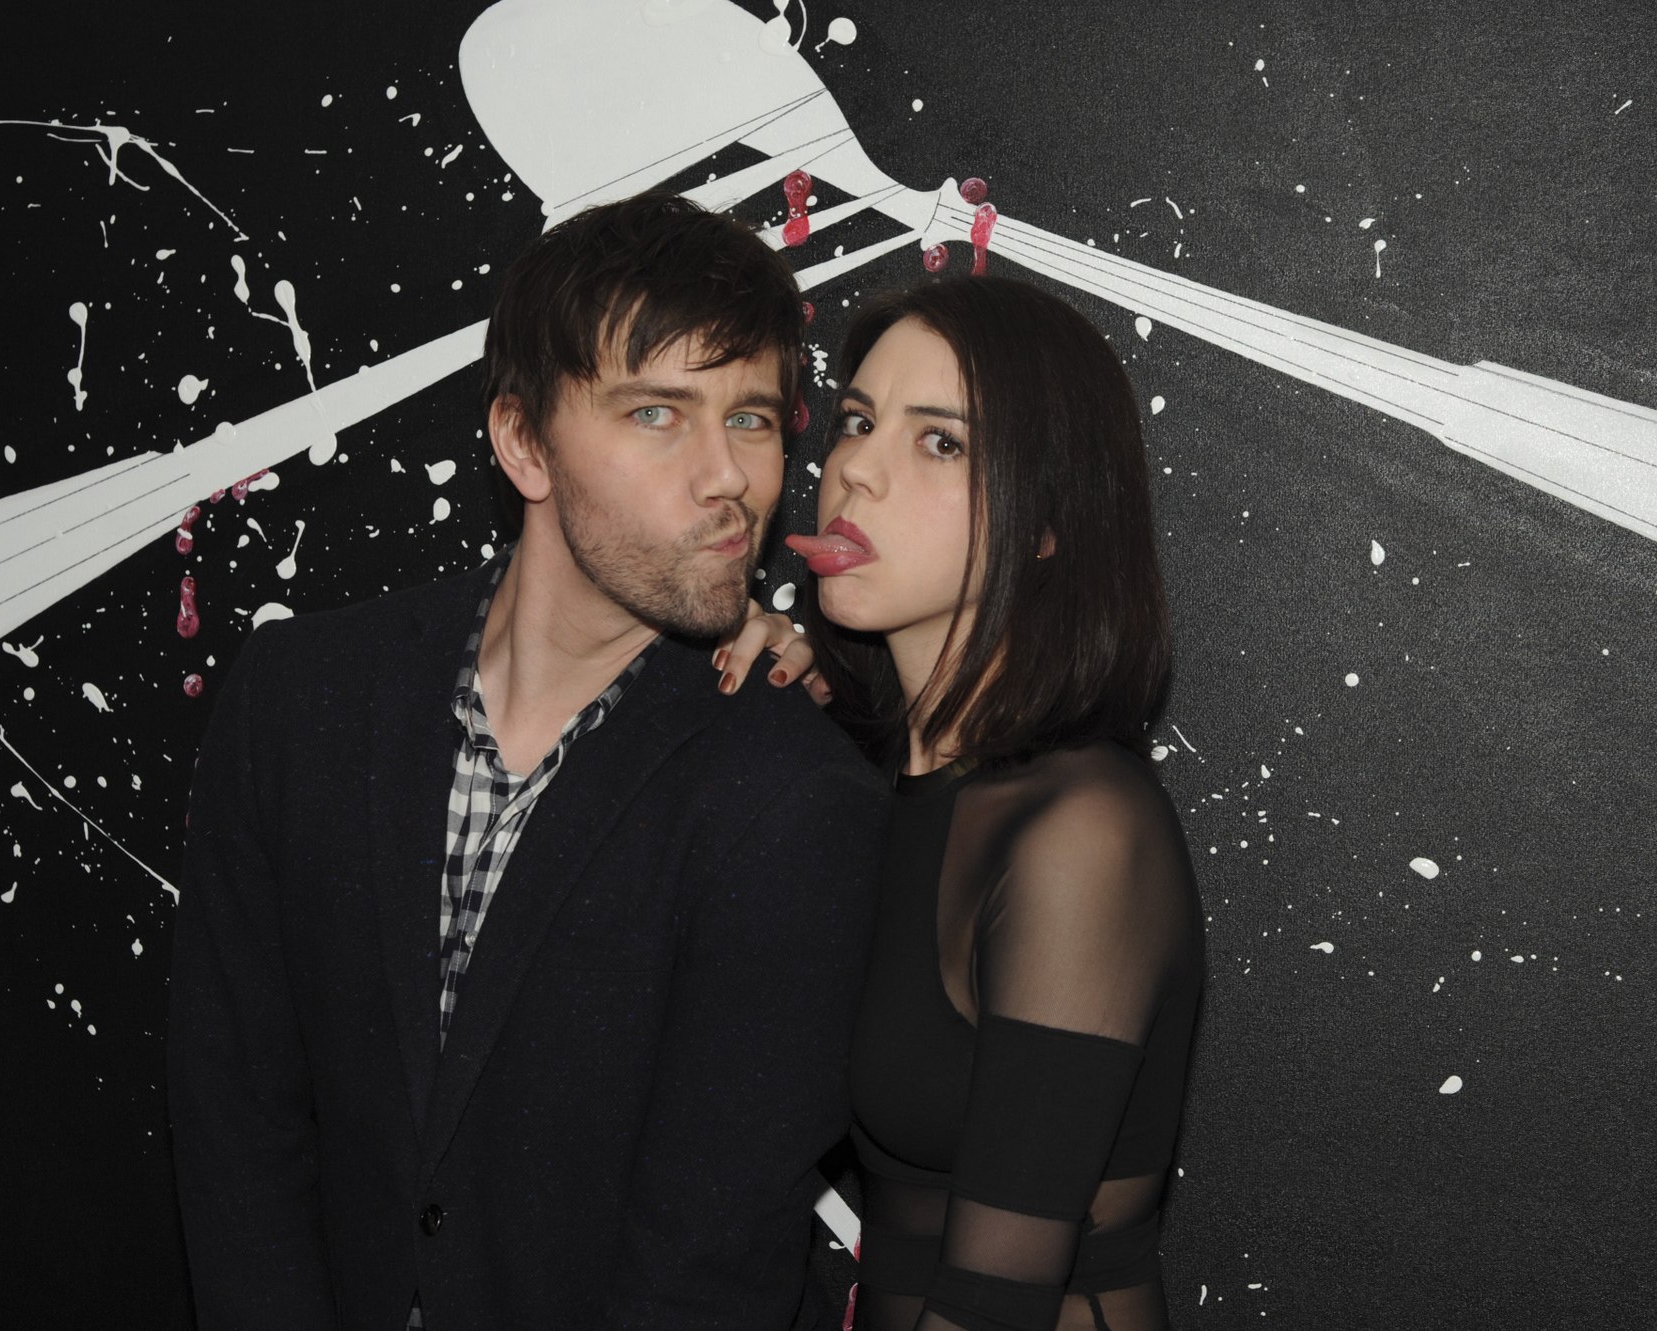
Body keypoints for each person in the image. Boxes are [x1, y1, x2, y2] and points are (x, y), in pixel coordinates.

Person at [167, 191, 891, 1331]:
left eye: (751, 419)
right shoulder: (299, 702)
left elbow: (706, 1264)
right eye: (657, 413)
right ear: (522, 441)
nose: (729, 477)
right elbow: (236, 1126)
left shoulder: (792, 798)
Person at [771, 276, 1205, 1330]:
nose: (855, 470)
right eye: (857, 421)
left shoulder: (1080, 833)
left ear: (1048, 522)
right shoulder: (873, 782)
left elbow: (991, 1304)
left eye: (940, 443)